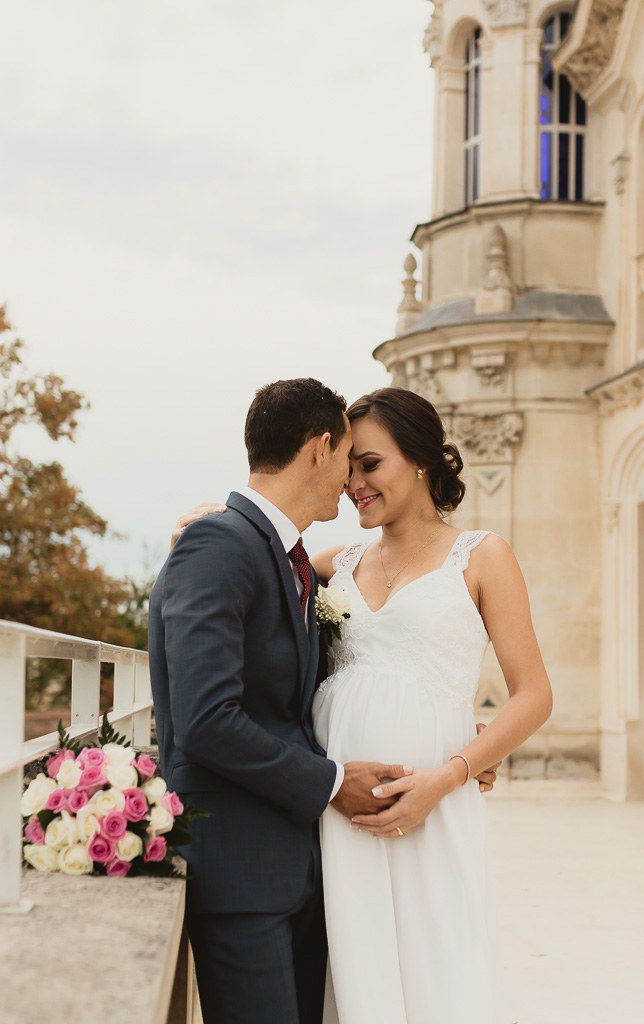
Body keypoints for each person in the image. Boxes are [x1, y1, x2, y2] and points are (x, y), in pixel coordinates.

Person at [173, 384, 552, 1024]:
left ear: (422, 459)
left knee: (437, 966)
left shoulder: (482, 555)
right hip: (333, 813)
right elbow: (257, 572)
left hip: (431, 804)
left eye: (370, 464)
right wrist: (205, 526)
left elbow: (536, 694)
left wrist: (456, 768)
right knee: (351, 972)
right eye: (348, 468)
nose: (353, 485)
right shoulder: (332, 563)